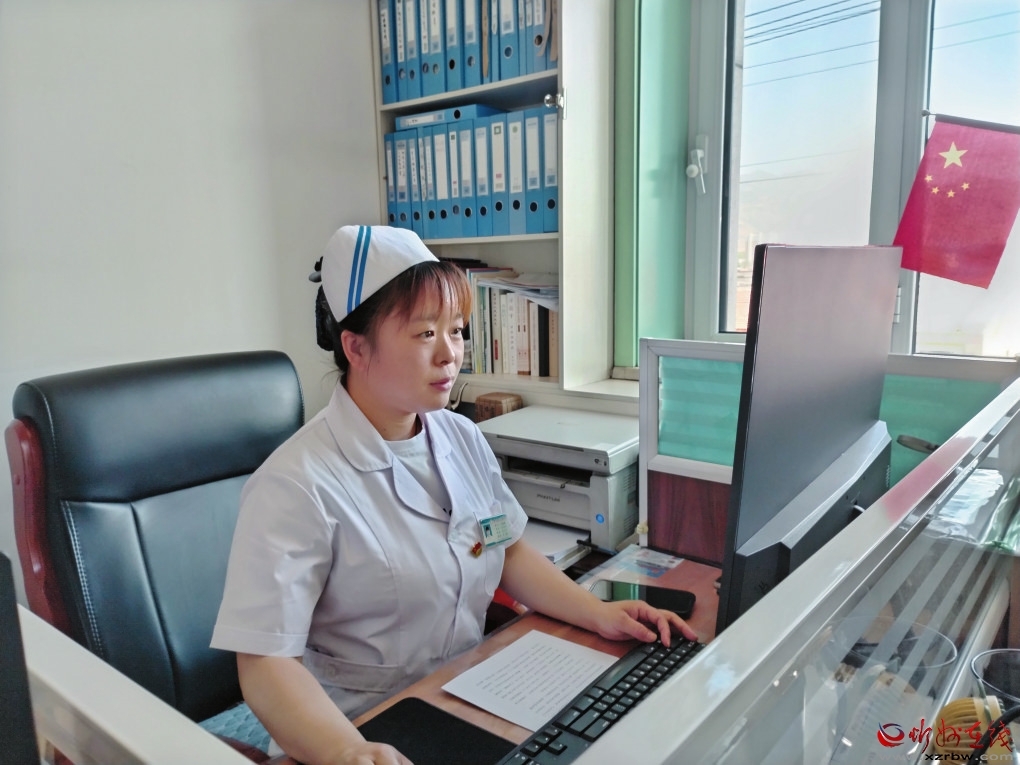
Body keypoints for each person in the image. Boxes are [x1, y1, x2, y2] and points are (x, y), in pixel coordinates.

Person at [211, 225, 698, 765]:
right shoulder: (295, 483)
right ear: (356, 347)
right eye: (425, 334)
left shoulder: (460, 435)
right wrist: (346, 750)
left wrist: (598, 614)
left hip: (464, 694)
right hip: (357, 726)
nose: (451, 355)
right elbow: (265, 661)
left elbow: (506, 549)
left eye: (458, 331)